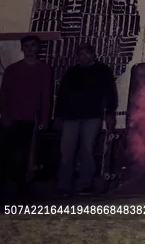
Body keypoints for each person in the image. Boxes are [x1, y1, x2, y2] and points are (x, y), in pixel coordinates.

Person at [53, 43, 117, 195]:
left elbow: (110, 93)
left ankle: (85, 184)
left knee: (87, 149)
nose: (83, 56)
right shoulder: (71, 72)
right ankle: (64, 185)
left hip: (92, 116)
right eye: (80, 54)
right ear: (77, 56)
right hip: (70, 117)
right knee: (66, 151)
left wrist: (110, 113)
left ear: (93, 54)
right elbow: (62, 95)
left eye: (86, 53)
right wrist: (58, 116)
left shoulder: (102, 70)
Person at [0, 35, 52, 199]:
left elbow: (46, 96)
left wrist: (44, 119)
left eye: (32, 46)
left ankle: (21, 191)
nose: (29, 49)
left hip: (31, 120)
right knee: (5, 154)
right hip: (12, 119)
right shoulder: (12, 69)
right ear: (22, 48)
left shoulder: (44, 70)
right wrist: (5, 116)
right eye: (26, 46)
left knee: (26, 157)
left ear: (37, 48)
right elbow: (4, 94)